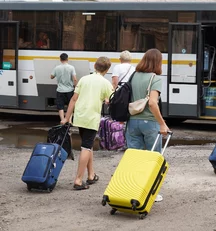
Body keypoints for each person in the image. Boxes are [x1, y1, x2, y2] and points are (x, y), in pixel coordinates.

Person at [61, 57, 113, 190]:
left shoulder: (84, 79)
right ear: (107, 70)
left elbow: (73, 99)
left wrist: (67, 117)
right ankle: (78, 180)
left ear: (95, 66)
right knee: (85, 147)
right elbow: (111, 100)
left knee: (88, 145)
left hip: (80, 116)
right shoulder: (105, 83)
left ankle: (91, 175)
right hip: (91, 118)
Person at [125, 48, 170, 202]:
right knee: (153, 159)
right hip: (150, 123)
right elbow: (152, 102)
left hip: (132, 122)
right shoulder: (155, 78)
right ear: (157, 62)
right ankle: (151, 192)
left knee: (134, 158)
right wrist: (162, 124)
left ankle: (133, 190)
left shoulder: (134, 76)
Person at [51, 53, 77, 121]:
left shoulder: (57, 68)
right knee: (70, 105)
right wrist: (76, 86)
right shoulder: (71, 67)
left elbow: (51, 76)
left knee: (60, 106)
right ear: (67, 59)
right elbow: (74, 79)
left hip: (60, 90)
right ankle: (70, 120)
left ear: (60, 59)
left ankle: (62, 120)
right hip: (70, 90)